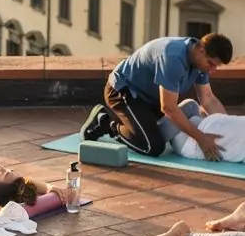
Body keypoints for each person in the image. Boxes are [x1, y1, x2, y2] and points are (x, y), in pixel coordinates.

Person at [81, 33, 233, 159]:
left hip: (151, 100)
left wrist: (230, 128)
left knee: (189, 109)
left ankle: (141, 125)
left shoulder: (200, 64)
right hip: (124, 92)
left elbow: (208, 98)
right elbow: (168, 108)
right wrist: (201, 138)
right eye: (211, 64)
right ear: (201, 51)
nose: (212, 70)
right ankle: (106, 122)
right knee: (152, 146)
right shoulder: (173, 58)